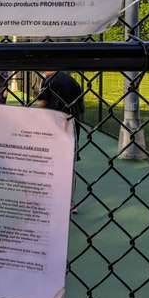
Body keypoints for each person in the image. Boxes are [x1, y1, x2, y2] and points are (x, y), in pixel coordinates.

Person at [35, 70, 85, 212]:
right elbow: (81, 107)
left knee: (48, 163)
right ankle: (70, 202)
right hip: (72, 125)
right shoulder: (72, 81)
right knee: (69, 165)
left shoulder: (48, 80)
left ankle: (49, 198)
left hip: (53, 127)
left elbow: (42, 104)